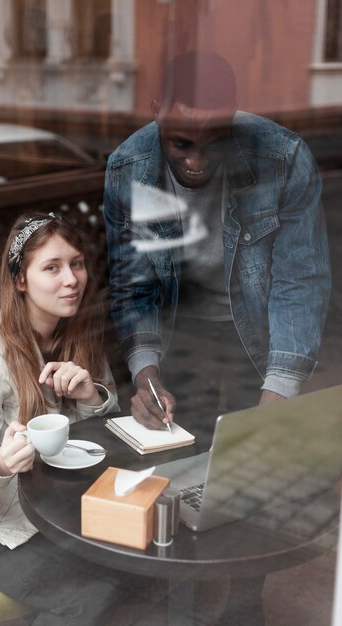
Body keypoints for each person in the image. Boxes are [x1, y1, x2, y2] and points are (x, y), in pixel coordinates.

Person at [104, 50, 331, 436]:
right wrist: (145, 374)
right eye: (181, 144)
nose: (197, 159)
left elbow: (301, 281)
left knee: (260, 453)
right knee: (181, 453)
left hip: (264, 330)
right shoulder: (128, 168)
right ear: (157, 110)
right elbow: (133, 286)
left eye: (215, 141)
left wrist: (278, 394)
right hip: (180, 331)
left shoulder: (283, 158)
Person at [0, 212, 124, 625]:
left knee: (133, 567)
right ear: (20, 280)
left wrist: (93, 397)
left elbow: (106, 439)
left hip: (54, 506)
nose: (71, 279)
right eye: (51, 267)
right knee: (90, 594)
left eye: (76, 263)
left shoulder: (77, 337)